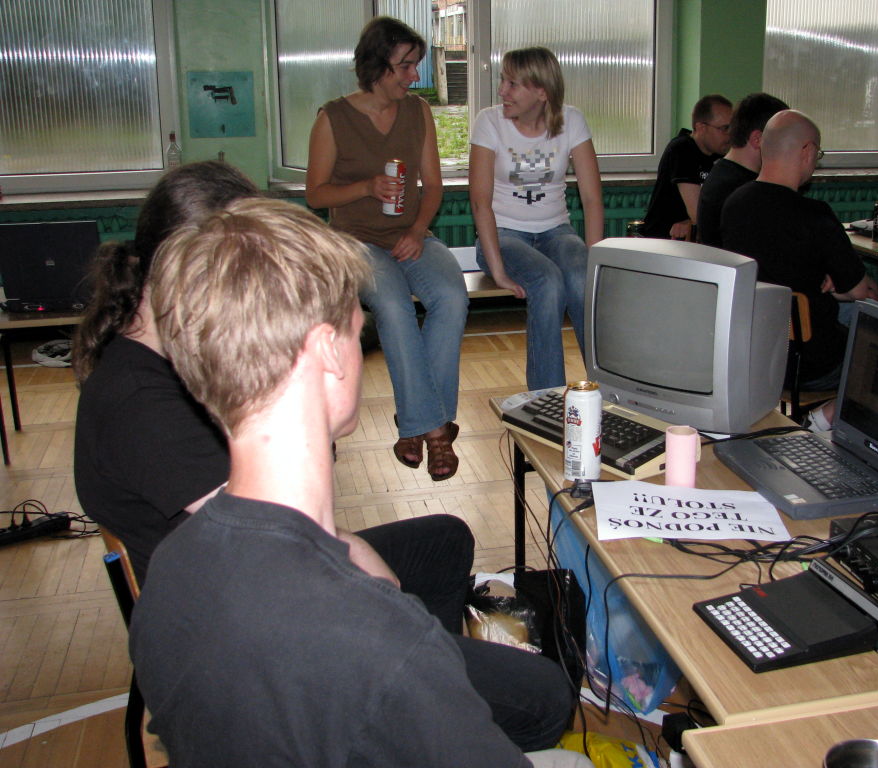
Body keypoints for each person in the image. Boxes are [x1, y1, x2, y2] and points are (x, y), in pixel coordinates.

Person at [73, 165, 573, 753]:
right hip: (258, 633)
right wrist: (394, 627)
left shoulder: (178, 374)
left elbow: (264, 521)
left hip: (215, 605)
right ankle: (424, 708)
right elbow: (284, 546)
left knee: (444, 542)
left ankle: (429, 703)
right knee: (548, 696)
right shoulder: (140, 401)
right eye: (357, 327)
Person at [73, 161, 259, 586]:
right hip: (221, 602)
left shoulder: (173, 362)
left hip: (241, 576)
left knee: (424, 540)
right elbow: (270, 540)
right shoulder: (140, 402)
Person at [306, 16, 466, 481]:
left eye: (415, 65)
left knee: (452, 296)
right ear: (377, 66)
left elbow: (433, 185)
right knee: (394, 306)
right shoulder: (332, 118)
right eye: (406, 66)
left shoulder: (418, 112)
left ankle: (415, 423)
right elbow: (316, 194)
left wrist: (417, 229)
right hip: (355, 240)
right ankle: (437, 432)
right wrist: (365, 187)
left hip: (410, 234)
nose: (415, 75)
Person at [469, 47, 603, 391]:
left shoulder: (571, 120)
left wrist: (595, 260)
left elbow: (591, 198)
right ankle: (546, 398)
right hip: (503, 235)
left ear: (542, 92)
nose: (502, 91)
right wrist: (498, 270)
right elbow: (480, 203)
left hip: (556, 231)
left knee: (580, 279)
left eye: (512, 84)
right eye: (502, 80)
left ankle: (609, 390)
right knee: (547, 281)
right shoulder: (489, 122)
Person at [720, 109, 878, 393]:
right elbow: (861, 291)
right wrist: (837, 287)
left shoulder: (734, 203)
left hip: (754, 358)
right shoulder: (814, 215)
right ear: (807, 151)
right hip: (810, 364)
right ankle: (831, 412)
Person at [696, 92, 789, 248]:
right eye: (782, 139)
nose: (786, 148)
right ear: (757, 139)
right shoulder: (741, 189)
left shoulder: (724, 171)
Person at [640, 94, 732, 241]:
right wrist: (693, 221)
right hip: (664, 240)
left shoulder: (719, 155)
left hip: (689, 239)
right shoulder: (682, 149)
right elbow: (698, 214)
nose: (729, 135)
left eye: (732, 128)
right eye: (724, 128)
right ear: (701, 127)